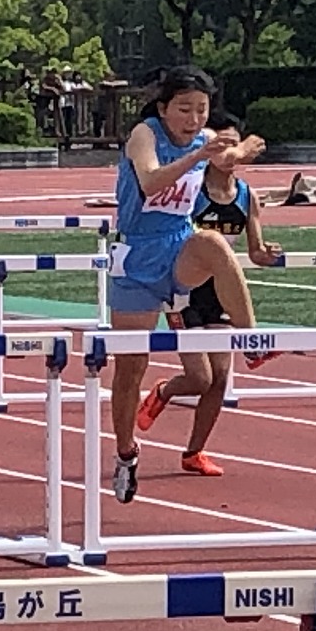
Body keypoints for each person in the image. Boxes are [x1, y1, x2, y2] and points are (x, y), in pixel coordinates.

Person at [107, 66, 266, 503]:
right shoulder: (145, 134)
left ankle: (251, 338)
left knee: (213, 244)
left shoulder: (205, 138)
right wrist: (199, 155)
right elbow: (152, 180)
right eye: (184, 110)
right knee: (130, 367)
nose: (194, 119)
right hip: (137, 255)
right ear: (164, 108)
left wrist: (246, 145)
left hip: (178, 246)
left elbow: (229, 160)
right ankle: (125, 453)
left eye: (201, 110)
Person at [134, 110, 282, 476]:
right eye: (224, 144)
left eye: (234, 143)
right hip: (186, 291)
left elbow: (254, 250)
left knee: (219, 378)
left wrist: (267, 255)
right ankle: (164, 392)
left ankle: (194, 452)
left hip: (220, 295)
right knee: (198, 378)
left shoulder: (247, 195)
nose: (230, 154)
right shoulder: (192, 189)